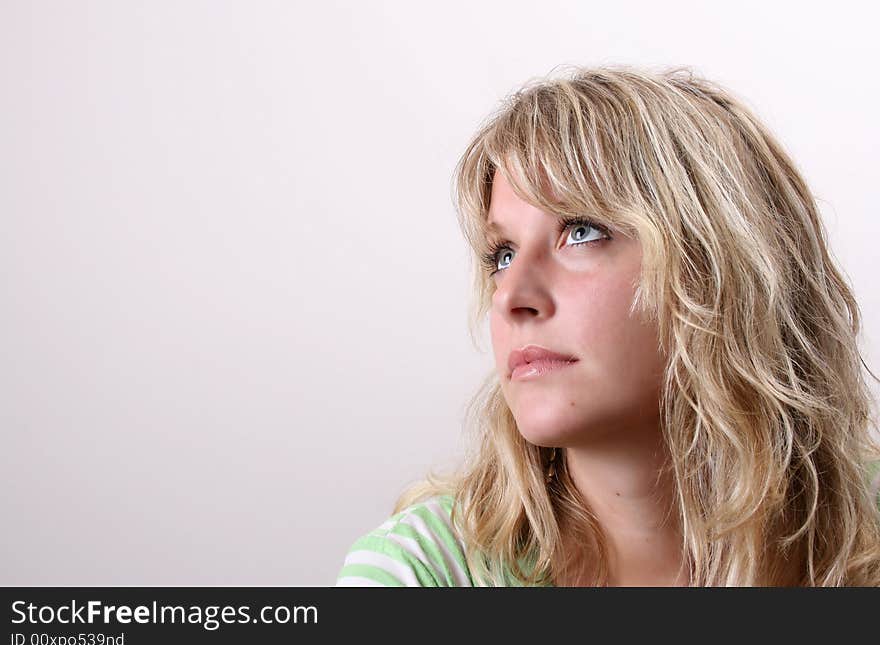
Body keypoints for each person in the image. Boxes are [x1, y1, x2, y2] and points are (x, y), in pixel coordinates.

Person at [335, 65, 880, 587]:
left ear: (720, 267)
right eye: (502, 254)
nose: (512, 297)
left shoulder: (866, 534)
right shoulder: (421, 573)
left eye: (582, 232)